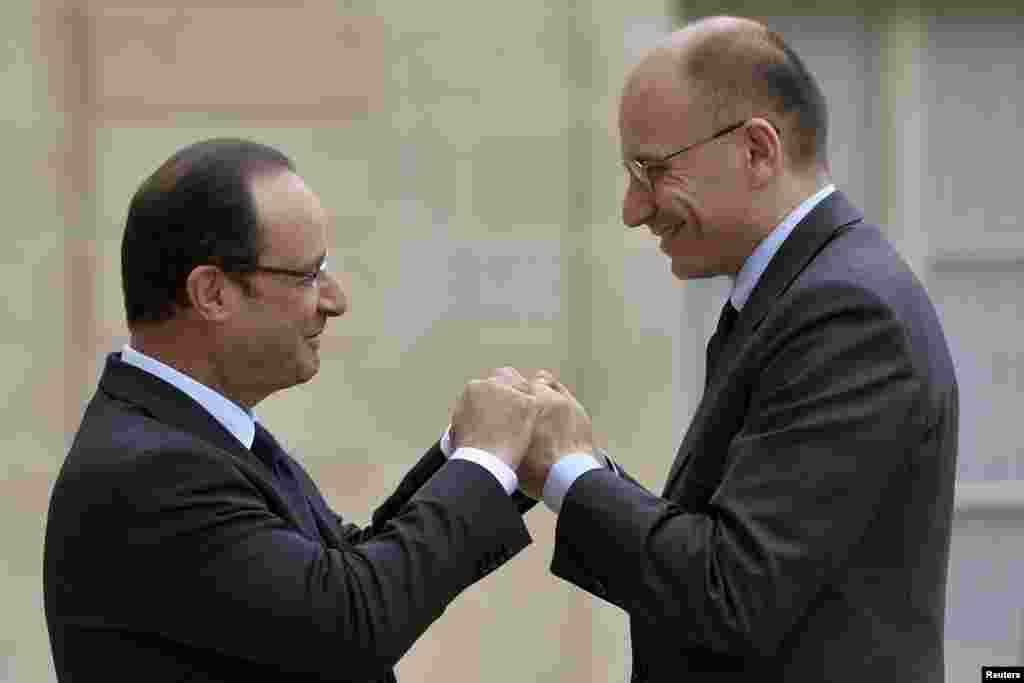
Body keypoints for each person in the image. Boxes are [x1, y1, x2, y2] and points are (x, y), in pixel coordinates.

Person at [508, 16, 958, 681]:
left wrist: (571, 476)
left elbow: (729, 591)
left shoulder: (846, 314)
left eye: (651, 170)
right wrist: (576, 462)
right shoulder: (797, 294)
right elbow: (722, 547)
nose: (634, 208)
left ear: (756, 151)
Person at [43, 138, 541, 682]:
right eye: (306, 276)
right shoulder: (152, 471)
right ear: (212, 293)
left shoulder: (193, 435)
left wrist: (486, 457)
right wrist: (485, 463)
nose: (335, 300)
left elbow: (337, 570)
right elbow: (349, 618)